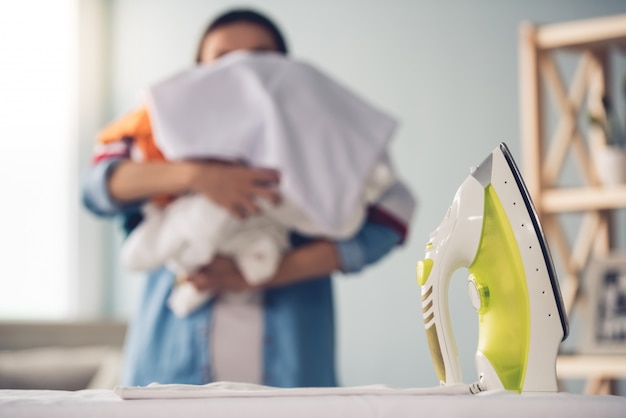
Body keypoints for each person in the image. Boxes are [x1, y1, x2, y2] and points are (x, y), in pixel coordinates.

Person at [82, 8, 416, 388]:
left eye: (260, 56)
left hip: (295, 381)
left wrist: (261, 274)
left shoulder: (323, 138)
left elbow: (392, 216)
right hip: (167, 379)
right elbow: (96, 188)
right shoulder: (162, 122)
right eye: (223, 59)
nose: (243, 70)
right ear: (198, 73)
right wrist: (199, 177)